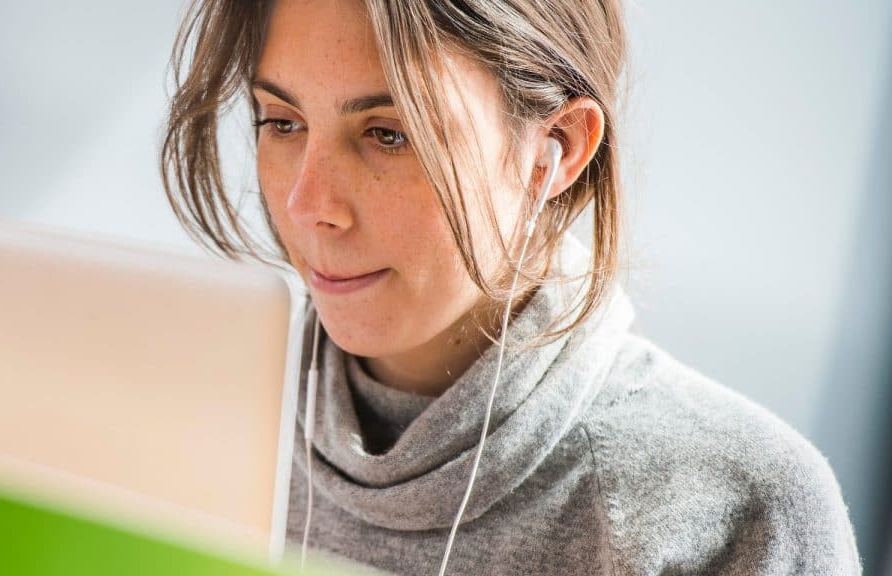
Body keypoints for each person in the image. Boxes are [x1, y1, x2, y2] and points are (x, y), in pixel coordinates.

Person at [159, 0, 862, 573]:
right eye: (281, 123)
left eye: (388, 134)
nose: (309, 204)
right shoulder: (165, 413)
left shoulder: (737, 510)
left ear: (555, 151)